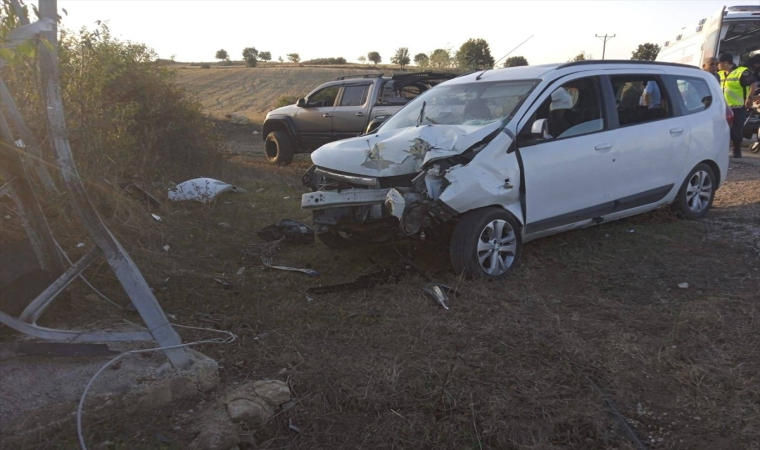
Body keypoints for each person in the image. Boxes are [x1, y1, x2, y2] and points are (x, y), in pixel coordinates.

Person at [718, 53, 758, 158]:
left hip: (738, 107)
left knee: (736, 130)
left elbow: (753, 83)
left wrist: (749, 97)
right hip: (724, 108)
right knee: (723, 130)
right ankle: (723, 152)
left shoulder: (742, 72)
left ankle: (737, 152)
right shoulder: (721, 74)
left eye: (719, 63)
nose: (718, 65)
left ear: (725, 63)